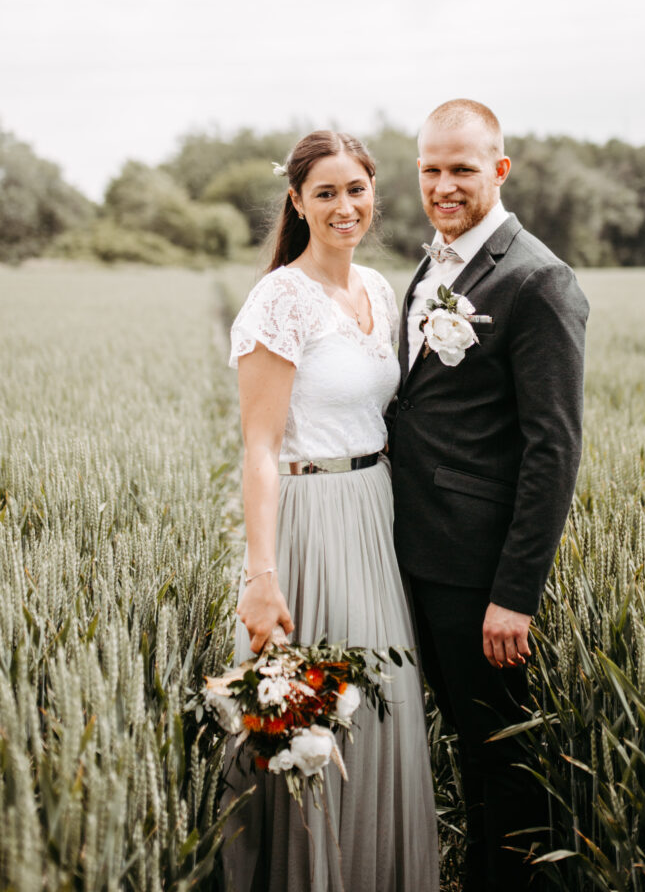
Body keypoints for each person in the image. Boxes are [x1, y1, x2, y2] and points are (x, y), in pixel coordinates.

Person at [220, 130, 439, 892]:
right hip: (311, 521)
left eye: (356, 189)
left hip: (375, 515)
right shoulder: (279, 299)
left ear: (373, 191)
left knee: (383, 712)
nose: (345, 206)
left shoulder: (379, 289)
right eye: (325, 193)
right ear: (297, 201)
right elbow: (258, 448)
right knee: (325, 711)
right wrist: (262, 574)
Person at [389, 99, 589, 891]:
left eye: (462, 168)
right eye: (432, 169)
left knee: (504, 761)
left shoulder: (538, 279)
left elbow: (554, 449)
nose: (444, 184)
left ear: (498, 170)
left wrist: (516, 595)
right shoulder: (434, 264)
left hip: (479, 572)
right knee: (469, 753)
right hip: (416, 551)